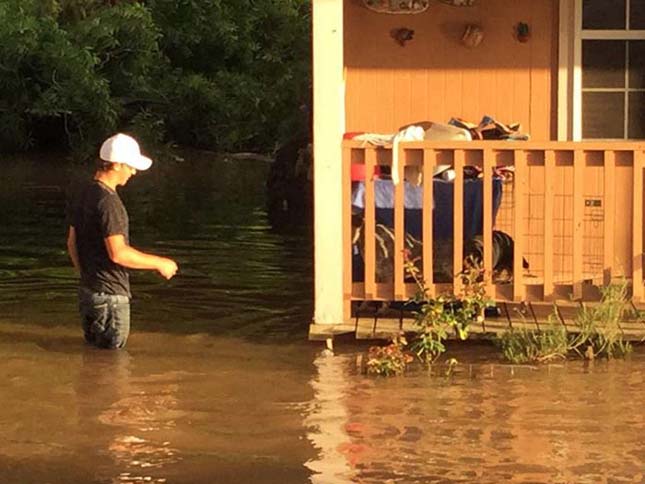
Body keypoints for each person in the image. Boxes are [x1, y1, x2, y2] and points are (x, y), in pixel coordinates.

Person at [66, 133, 178, 349]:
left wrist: (88, 278)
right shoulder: (109, 202)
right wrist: (160, 263)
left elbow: (72, 242)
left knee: (94, 358)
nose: (133, 172)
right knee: (112, 365)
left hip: (88, 293)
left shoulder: (83, 193)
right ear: (116, 165)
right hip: (111, 299)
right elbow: (118, 253)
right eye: (130, 166)